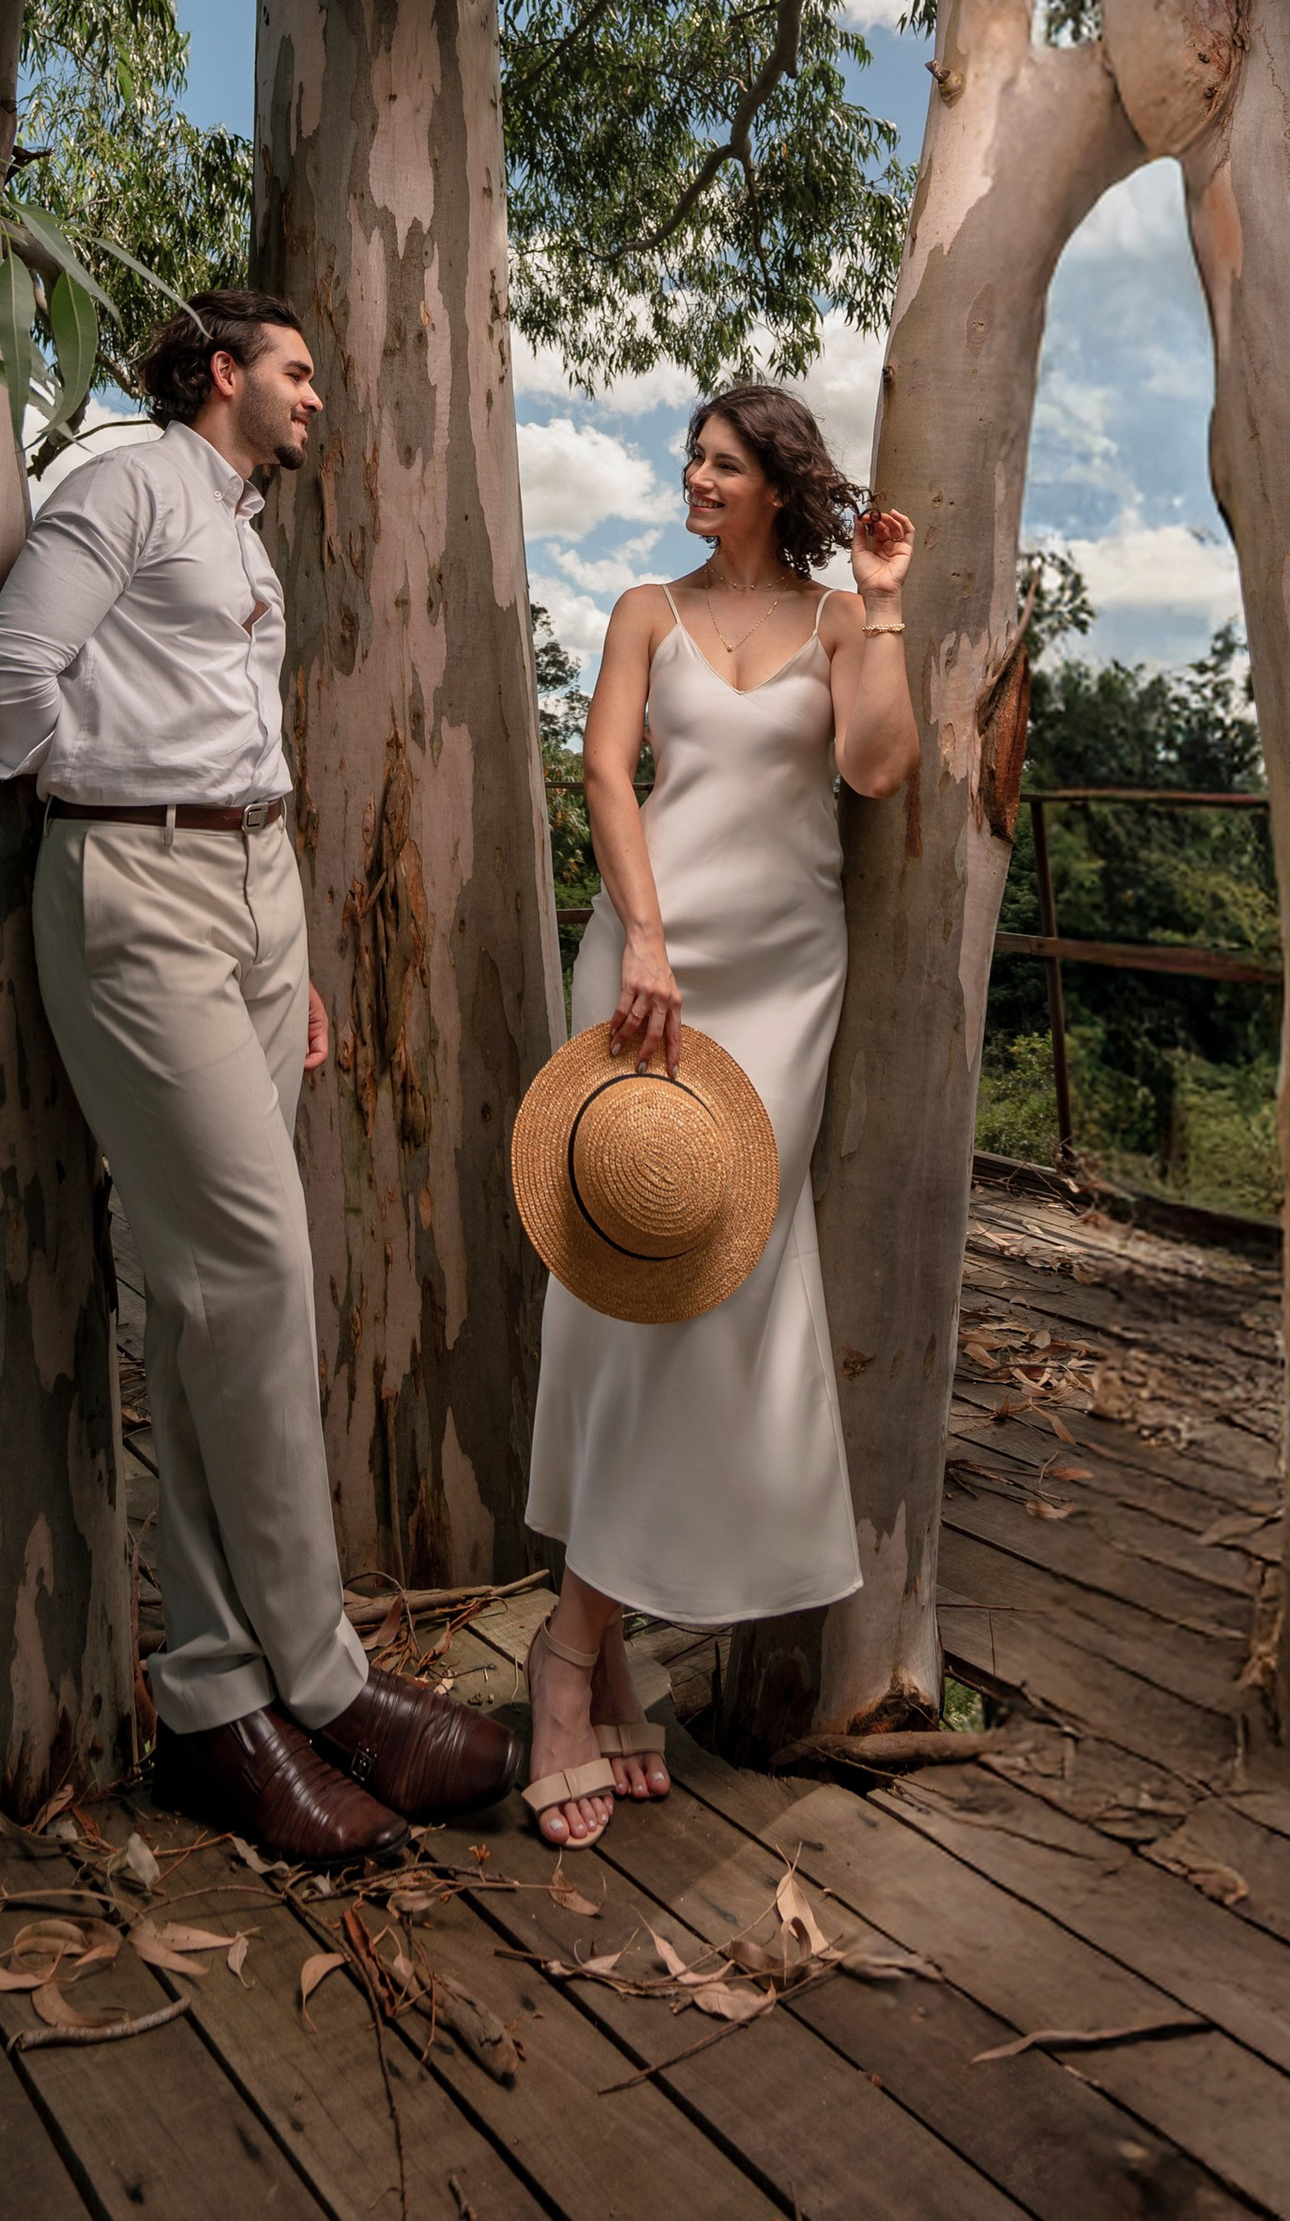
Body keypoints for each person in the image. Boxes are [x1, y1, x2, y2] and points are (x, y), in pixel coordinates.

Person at [0, 288, 523, 1862]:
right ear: (224, 372)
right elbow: (5, 681)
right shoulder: (128, 486)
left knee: (218, 1298)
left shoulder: (241, 530)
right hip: (138, 886)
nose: (315, 396)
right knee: (257, 1268)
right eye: (296, 370)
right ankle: (328, 1681)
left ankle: (215, 1695)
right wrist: (103, 798)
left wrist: (288, 943)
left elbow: (233, 735)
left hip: (256, 891)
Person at [520, 384, 919, 1846]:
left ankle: (578, 1642)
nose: (694, 475)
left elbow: (876, 766)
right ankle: (586, 1653)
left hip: (782, 986)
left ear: (777, 483)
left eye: (723, 461)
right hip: (647, 972)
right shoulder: (644, 609)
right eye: (691, 456)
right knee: (621, 1291)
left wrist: (883, 605)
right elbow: (605, 771)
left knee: (711, 1293)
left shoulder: (839, 623)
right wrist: (643, 935)